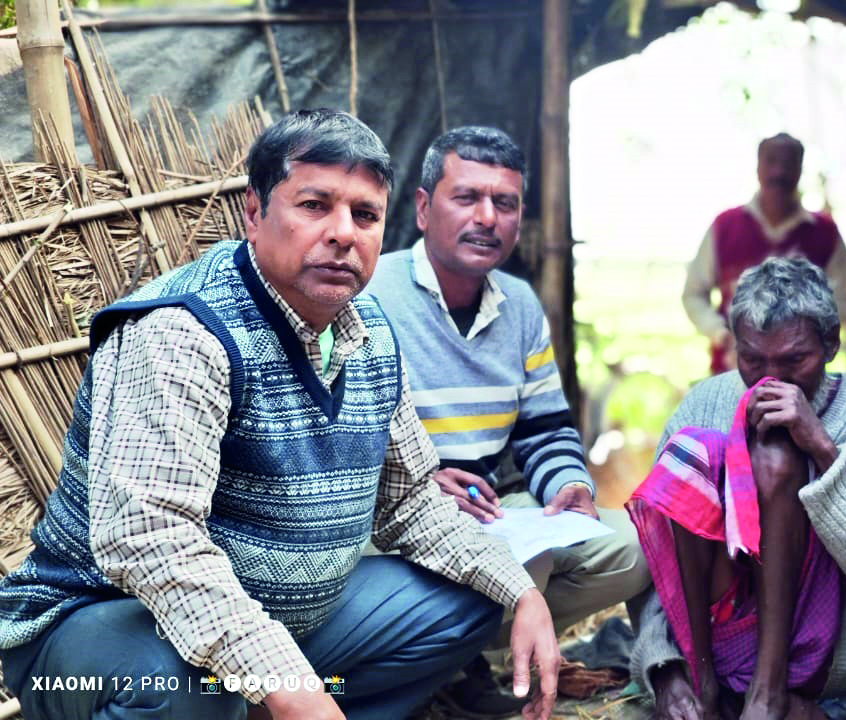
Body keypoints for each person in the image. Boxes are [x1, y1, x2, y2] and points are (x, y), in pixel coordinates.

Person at [0, 110, 561, 720]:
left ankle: (283, 706)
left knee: (465, 604)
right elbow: (149, 541)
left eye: (365, 215)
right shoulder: (183, 332)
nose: (343, 233)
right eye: (314, 205)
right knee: (187, 688)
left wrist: (521, 590)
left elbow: (410, 503)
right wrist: (281, 677)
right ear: (253, 212)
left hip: (282, 628)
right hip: (101, 631)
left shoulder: (368, 331)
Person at [364, 126, 649, 716]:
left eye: (506, 203)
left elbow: (545, 431)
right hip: (389, 520)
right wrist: (415, 483)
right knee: (526, 561)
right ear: (422, 208)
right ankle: (445, 668)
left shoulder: (518, 305)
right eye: (466, 197)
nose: (487, 217)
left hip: (490, 513)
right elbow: (331, 436)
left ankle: (472, 657)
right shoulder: (371, 294)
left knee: (636, 546)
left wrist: (568, 485)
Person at [629, 257, 846, 720]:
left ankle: (766, 695)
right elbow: (658, 559)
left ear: (831, 344)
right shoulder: (705, 404)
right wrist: (664, 670)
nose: (771, 379)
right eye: (753, 359)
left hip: (823, 653)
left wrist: (822, 449)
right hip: (714, 640)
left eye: (794, 360)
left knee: (775, 455)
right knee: (694, 451)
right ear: (735, 347)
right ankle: (705, 682)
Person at [683, 133, 846, 376]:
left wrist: (805, 345)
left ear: (800, 169)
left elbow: (845, 301)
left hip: (801, 382)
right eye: (771, 161)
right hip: (730, 373)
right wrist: (720, 334)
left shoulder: (824, 233)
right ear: (758, 168)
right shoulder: (725, 227)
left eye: (788, 163)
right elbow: (693, 294)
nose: (779, 172)